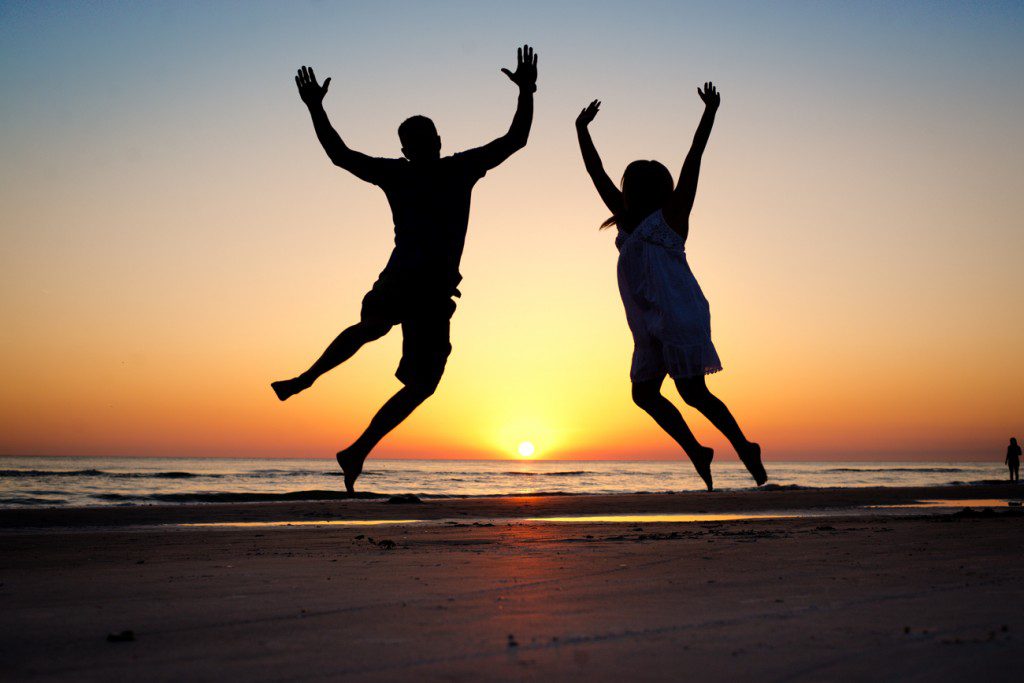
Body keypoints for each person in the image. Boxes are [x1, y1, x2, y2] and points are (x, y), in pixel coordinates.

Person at [273, 46, 538, 493]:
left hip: (426, 292)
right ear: (412, 148)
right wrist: (527, 92)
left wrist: (317, 109)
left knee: (407, 367)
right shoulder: (442, 170)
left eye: (427, 138)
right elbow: (515, 139)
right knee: (387, 346)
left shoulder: (439, 170)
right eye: (419, 141)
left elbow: (515, 140)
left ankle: (352, 445)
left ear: (434, 140)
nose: (425, 145)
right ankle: (315, 391)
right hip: (415, 286)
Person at [574, 83, 765, 491]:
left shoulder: (674, 215)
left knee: (692, 391)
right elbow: (595, 171)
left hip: (679, 312)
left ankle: (744, 446)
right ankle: (699, 450)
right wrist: (581, 130)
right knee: (644, 394)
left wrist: (710, 112)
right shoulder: (625, 219)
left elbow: (694, 157)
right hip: (647, 321)